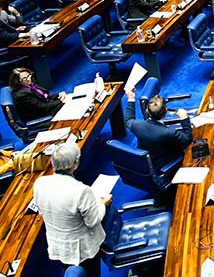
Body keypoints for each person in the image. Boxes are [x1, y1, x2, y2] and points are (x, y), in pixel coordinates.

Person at [33, 142, 110, 277]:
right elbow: (93, 221)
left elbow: (41, 209)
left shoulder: (39, 183)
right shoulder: (81, 191)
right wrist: (102, 204)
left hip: (59, 246)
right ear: (76, 163)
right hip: (83, 249)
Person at [124, 83, 192, 171]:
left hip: (147, 163)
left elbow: (128, 119)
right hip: (166, 165)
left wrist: (131, 98)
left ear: (147, 111)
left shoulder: (138, 126)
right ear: (166, 111)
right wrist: (184, 118)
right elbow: (187, 139)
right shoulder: (169, 133)